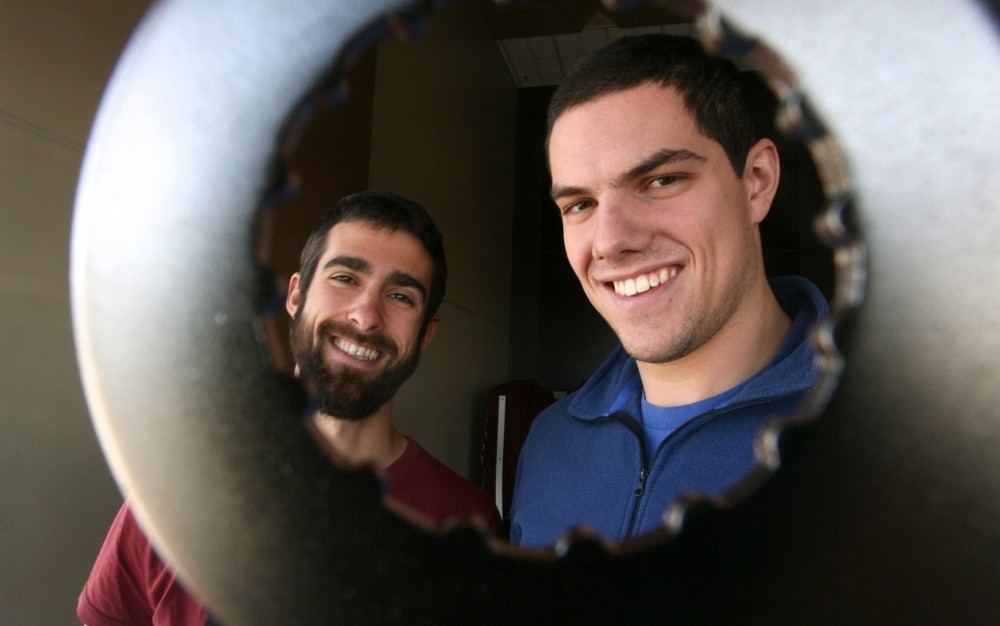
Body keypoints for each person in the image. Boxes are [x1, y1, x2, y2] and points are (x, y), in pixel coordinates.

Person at [77, 191, 502, 625]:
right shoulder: (179, 484)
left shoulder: (467, 525)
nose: (366, 316)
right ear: (296, 295)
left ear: (426, 333)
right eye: (345, 278)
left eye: (400, 296)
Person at [509, 34, 829, 547]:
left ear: (757, 181)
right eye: (580, 205)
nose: (610, 242)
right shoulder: (549, 442)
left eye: (661, 180)